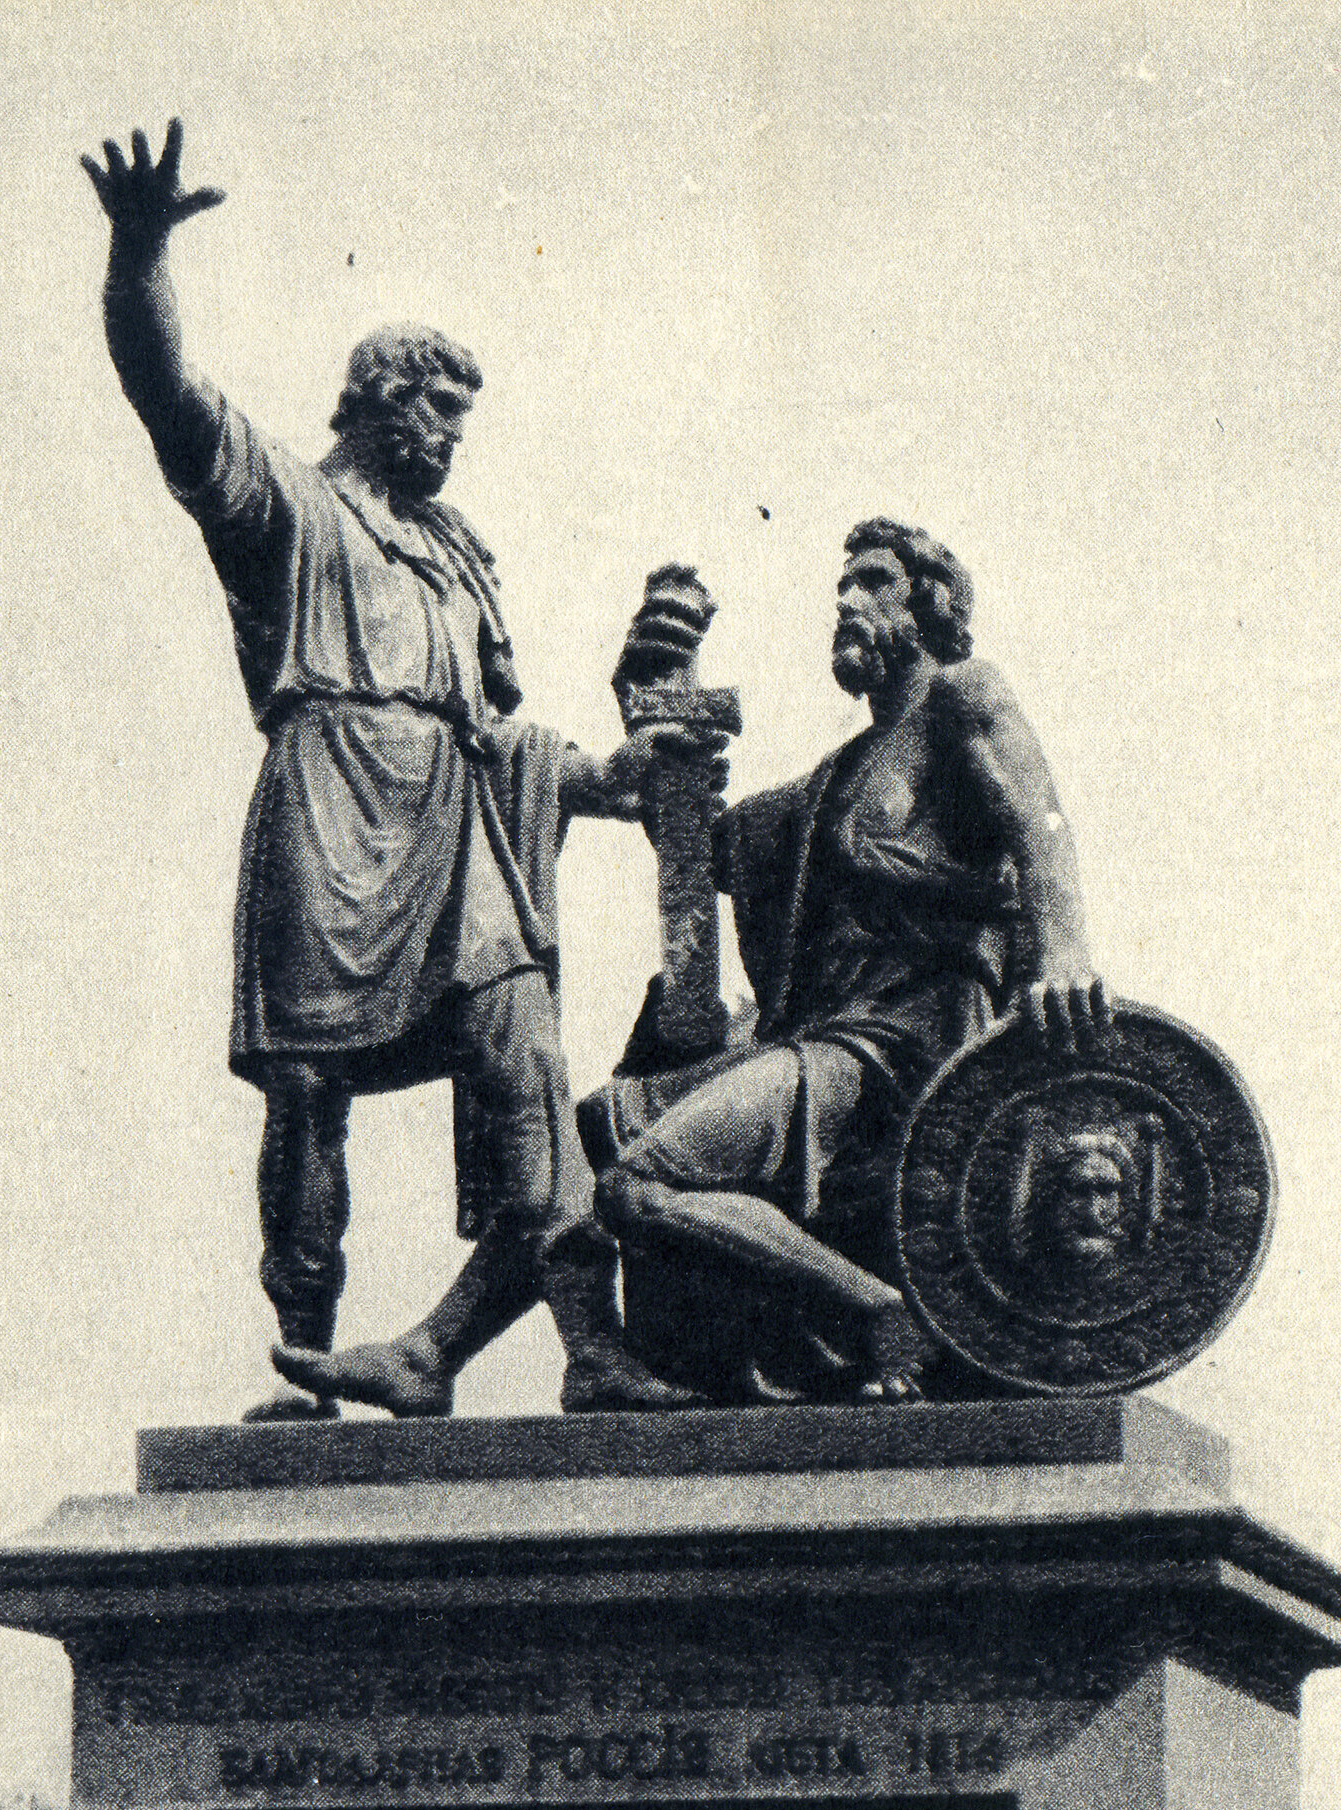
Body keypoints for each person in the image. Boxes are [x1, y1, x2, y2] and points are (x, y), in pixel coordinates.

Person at [82, 121, 682, 1416]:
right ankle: (307, 1357)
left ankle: (590, 1345)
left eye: (465, 418)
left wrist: (601, 777)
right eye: (436, 409)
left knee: (525, 1057)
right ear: (370, 398)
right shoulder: (289, 508)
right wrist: (138, 255)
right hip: (326, 803)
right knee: (306, 1095)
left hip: (456, 829)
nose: (453, 438)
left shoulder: (456, 553)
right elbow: (166, 393)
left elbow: (499, 737)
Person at [585, 518, 1114, 1400]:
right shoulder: (834, 777)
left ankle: (876, 1311)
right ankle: (552, 1355)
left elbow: (1039, 825)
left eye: (873, 582)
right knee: (597, 1121)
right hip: (827, 1042)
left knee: (637, 1185)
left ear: (931, 605)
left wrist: (1065, 953)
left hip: (904, 1045)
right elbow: (706, 852)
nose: (847, 601)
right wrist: (657, 714)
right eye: (843, 586)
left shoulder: (962, 699)